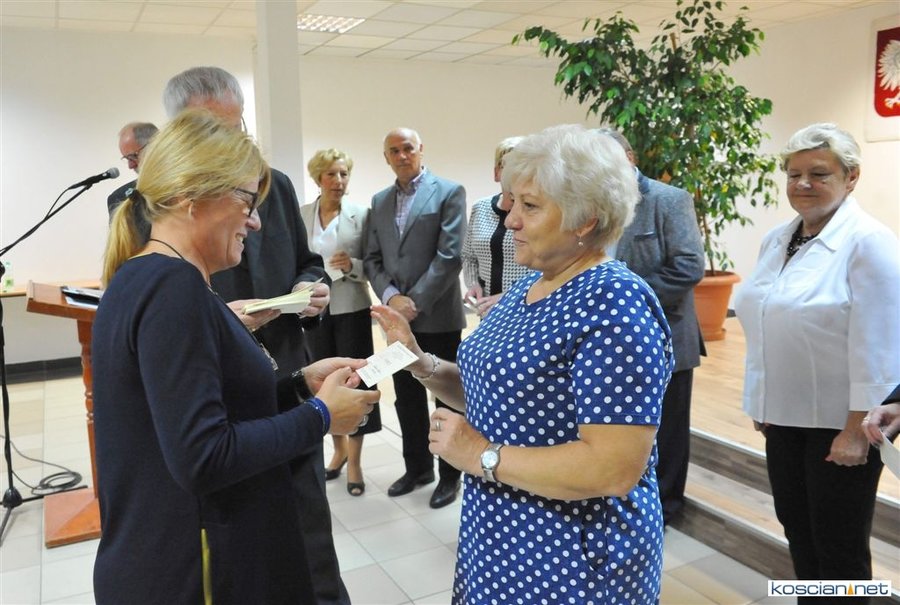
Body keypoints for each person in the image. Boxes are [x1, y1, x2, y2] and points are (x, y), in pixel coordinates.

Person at [372, 124, 674, 604]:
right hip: (501, 534)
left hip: (571, 557)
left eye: (529, 206)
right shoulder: (530, 286)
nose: (510, 219)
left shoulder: (613, 303)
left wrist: (479, 455)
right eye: (512, 202)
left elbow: (612, 467)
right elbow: (499, 394)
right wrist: (420, 361)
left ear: (585, 219)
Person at [91, 108, 379, 605]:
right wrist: (320, 415)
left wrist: (297, 387)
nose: (256, 221)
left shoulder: (147, 276)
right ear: (192, 197)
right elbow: (204, 456)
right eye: (246, 201)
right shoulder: (173, 289)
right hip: (196, 566)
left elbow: (198, 406)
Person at [162, 66, 347, 605]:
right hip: (218, 397)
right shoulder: (151, 206)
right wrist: (219, 322)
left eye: (237, 127)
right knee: (244, 547)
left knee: (310, 535)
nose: (231, 143)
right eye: (212, 131)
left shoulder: (276, 184)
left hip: (288, 374)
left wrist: (310, 289)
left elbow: (308, 261)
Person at [734, 123, 900, 600]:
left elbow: (880, 346)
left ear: (851, 177)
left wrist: (855, 431)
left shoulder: (869, 242)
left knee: (840, 546)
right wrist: (762, 400)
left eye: (819, 174)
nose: (803, 184)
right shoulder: (778, 239)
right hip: (783, 417)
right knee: (798, 529)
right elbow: (763, 319)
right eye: (794, 174)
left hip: (840, 423)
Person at [599, 127, 706, 526]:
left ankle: (667, 508)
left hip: (666, 336)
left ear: (630, 158)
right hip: (614, 339)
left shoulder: (668, 199)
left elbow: (688, 266)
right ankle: (633, 499)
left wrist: (625, 301)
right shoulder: (597, 204)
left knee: (669, 430)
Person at [364, 127, 467, 509]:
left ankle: (450, 475)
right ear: (386, 157)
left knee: (446, 398)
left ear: (421, 149)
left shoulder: (449, 192)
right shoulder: (379, 201)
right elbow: (372, 258)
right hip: (396, 320)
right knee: (406, 399)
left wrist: (415, 302)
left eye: (408, 148)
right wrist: (392, 299)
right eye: (394, 150)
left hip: (438, 316)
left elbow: (450, 256)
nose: (402, 155)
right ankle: (417, 469)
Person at [300, 148, 380, 496]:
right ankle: (338, 451)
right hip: (315, 311)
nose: (338, 181)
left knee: (356, 382)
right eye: (331, 174)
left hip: (352, 308)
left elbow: (374, 263)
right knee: (324, 384)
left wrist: (352, 266)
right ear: (318, 178)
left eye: (344, 174)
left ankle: (357, 463)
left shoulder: (362, 215)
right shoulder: (303, 214)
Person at [461, 136, 528, 318]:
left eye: (522, 167)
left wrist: (508, 297)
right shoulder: (480, 207)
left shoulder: (536, 212)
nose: (515, 173)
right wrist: (473, 284)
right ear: (497, 172)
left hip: (524, 310)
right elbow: (468, 256)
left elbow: (547, 267)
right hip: (486, 313)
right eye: (508, 166)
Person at [107, 121, 158, 224]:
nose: (130, 166)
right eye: (127, 159)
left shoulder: (186, 183)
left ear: (155, 147)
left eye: (133, 156)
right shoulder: (119, 199)